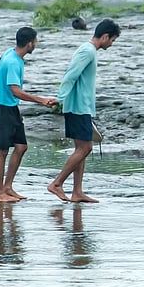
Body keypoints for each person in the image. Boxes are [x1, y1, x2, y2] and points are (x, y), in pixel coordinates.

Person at [48, 19, 121, 203]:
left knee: (81, 148)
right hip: (77, 107)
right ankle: (57, 183)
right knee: (86, 148)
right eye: (112, 40)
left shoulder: (89, 51)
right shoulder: (87, 51)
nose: (111, 44)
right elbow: (71, 75)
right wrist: (60, 98)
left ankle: (77, 192)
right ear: (105, 36)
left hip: (82, 107)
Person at [0, 27, 57, 202]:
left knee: (21, 146)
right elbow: (15, 91)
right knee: (2, 151)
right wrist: (41, 100)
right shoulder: (12, 61)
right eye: (35, 41)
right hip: (1, 108)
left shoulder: (12, 54)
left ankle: (8, 187)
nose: (36, 44)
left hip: (11, 108)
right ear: (29, 44)